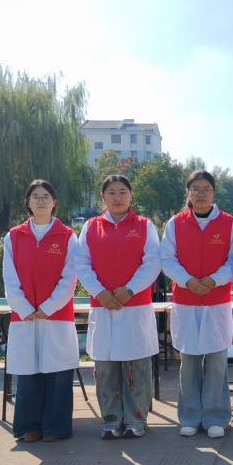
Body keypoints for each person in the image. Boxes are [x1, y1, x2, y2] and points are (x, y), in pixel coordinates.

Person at [75, 175, 161, 439]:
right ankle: (111, 420)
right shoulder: (91, 227)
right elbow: (81, 263)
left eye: (123, 191)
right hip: (103, 307)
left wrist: (129, 289)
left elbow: (152, 262)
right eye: (111, 192)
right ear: (103, 197)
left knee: (137, 366)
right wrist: (100, 292)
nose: (117, 197)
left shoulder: (145, 226)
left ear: (131, 195)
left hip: (134, 306)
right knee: (106, 367)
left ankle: (136, 419)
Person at [161, 171, 233, 439]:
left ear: (214, 193)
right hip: (186, 301)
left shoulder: (229, 223)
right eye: (195, 189)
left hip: (216, 301)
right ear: (188, 193)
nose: (201, 194)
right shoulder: (175, 223)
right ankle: (190, 416)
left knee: (216, 362)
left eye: (206, 189)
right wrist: (187, 281)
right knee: (189, 361)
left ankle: (216, 417)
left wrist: (215, 279)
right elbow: (167, 259)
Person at [3, 180, 78, 442]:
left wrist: (47, 307)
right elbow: (10, 278)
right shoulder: (14, 236)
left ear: (54, 202)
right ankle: (29, 426)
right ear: (28, 202)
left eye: (46, 196)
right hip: (24, 316)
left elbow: (70, 278)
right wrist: (24, 308)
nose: (41, 201)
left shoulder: (67, 236)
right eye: (35, 197)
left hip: (56, 315)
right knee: (28, 371)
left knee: (58, 372)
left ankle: (56, 427)